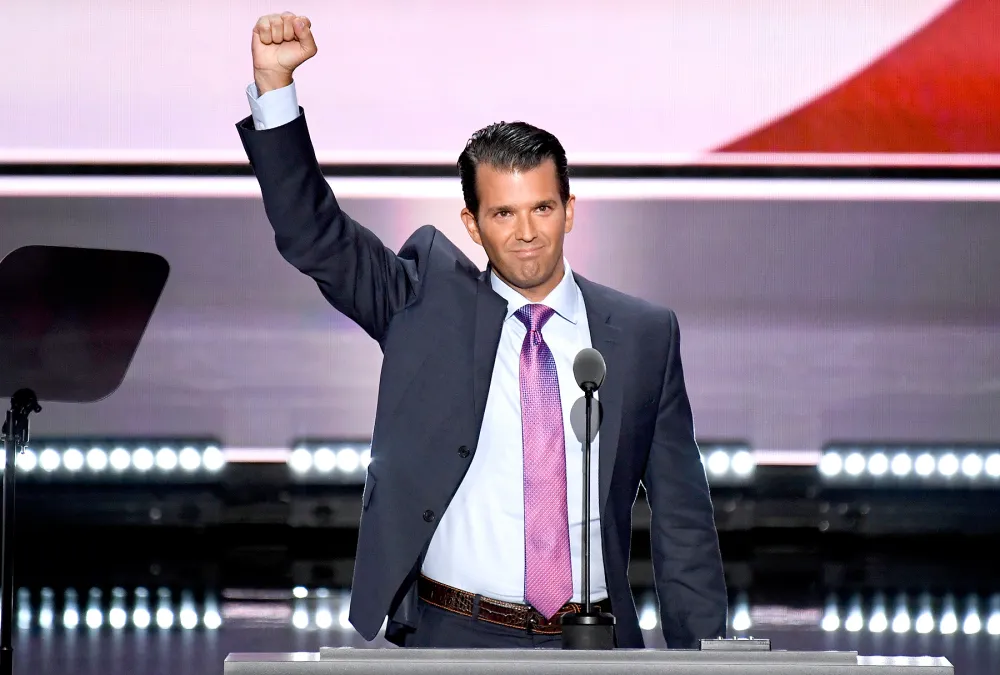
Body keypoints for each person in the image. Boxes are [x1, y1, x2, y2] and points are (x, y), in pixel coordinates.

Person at [236, 12, 728, 650]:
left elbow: (683, 519)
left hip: (596, 642)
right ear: (472, 223)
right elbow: (314, 235)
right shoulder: (423, 307)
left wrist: (704, 659)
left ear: (569, 209)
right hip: (454, 635)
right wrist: (275, 89)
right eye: (503, 213)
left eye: (542, 208)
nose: (526, 232)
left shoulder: (641, 334)